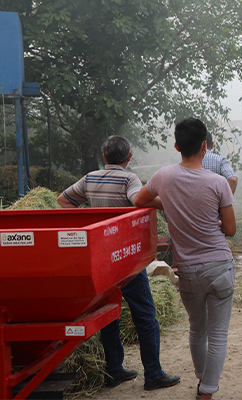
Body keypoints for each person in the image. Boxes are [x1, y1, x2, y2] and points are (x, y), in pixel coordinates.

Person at [57, 136, 180, 391]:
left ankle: (114, 371)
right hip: (126, 259)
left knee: (110, 315)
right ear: (129, 157)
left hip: (100, 262)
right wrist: (165, 204)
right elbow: (138, 200)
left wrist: (89, 223)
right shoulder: (129, 179)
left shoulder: (90, 178)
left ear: (104, 157)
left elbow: (63, 200)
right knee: (145, 315)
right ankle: (153, 374)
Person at [134, 118, 236, 400]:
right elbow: (230, 229)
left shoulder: (163, 176)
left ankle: (203, 380)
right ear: (205, 146)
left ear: (177, 145)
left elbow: (139, 201)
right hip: (219, 266)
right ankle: (207, 392)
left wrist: (167, 203)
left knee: (197, 329)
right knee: (217, 335)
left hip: (188, 269)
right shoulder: (218, 183)